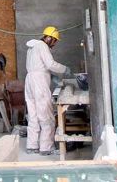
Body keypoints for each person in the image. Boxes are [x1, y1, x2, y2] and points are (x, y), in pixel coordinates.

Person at [24, 26, 69, 156]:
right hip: (39, 82)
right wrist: (64, 69)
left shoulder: (31, 48)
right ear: (49, 37)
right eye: (54, 40)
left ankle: (32, 146)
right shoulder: (42, 46)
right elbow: (50, 64)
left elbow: (38, 66)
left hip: (30, 80)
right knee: (46, 114)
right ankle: (46, 147)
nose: (54, 44)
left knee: (33, 114)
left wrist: (50, 75)